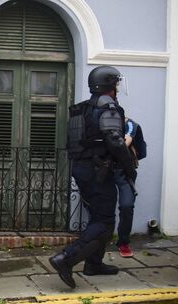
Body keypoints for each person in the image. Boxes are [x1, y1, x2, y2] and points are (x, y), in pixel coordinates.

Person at [50, 66, 136, 288]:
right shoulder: (107, 108)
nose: (117, 88)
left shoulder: (85, 108)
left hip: (84, 169)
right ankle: (66, 259)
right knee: (105, 222)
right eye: (115, 84)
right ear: (109, 85)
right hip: (98, 172)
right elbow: (115, 141)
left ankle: (94, 264)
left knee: (98, 217)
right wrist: (129, 168)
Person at [114, 117, 146, 257]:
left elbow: (126, 142)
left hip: (124, 171)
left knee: (127, 206)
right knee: (100, 206)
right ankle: (97, 239)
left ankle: (123, 242)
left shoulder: (129, 123)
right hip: (104, 169)